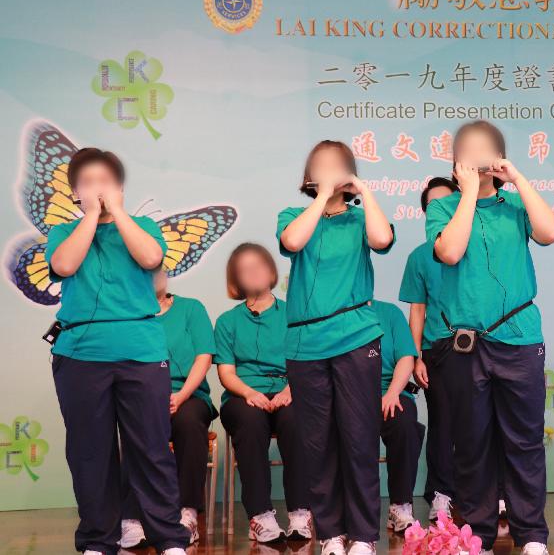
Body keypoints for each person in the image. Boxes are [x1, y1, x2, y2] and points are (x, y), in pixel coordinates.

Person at [45, 147, 189, 555]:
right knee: (91, 452)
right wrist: (91, 215)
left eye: (106, 181)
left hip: (140, 353)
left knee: (151, 449)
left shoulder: (141, 226)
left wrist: (118, 213)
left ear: (121, 187)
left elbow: (151, 257)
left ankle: (169, 539)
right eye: (88, 183)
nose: (98, 189)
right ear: (74, 192)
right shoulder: (62, 232)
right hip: (80, 354)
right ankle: (97, 540)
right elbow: (65, 266)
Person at [426, 121, 554, 555]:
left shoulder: (516, 205)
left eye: (486, 150)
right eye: (468, 150)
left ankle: (532, 534)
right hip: (468, 345)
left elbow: (550, 232)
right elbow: (449, 251)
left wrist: (517, 179)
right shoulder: (444, 209)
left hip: (519, 338)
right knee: (472, 442)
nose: (478, 156)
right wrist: (467, 192)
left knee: (524, 440)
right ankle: (478, 534)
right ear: (455, 160)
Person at [277, 140, 394, 555]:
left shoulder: (361, 218)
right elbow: (293, 242)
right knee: (318, 442)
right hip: (306, 344)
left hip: (356, 338)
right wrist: (323, 197)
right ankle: (330, 534)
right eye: (320, 168)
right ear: (309, 176)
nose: (329, 172)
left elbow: (382, 240)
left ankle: (363, 536)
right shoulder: (294, 215)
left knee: (360, 439)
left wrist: (364, 191)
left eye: (337, 167)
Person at [215, 243, 311, 543]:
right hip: (244, 397)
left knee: (297, 419)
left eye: (258, 265)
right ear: (236, 280)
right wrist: (249, 393)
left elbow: (307, 360)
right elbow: (226, 373)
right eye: (244, 269)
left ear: (271, 271)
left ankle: (300, 513)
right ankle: (261, 516)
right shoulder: (227, 321)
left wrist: (290, 389)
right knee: (250, 420)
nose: (253, 272)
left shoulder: (294, 314)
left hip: (288, 391)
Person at [119, 270, 217, 548]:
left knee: (188, 422)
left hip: (189, 394)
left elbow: (204, 355)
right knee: (136, 427)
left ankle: (187, 513)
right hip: (144, 397)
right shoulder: (129, 316)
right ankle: (132, 518)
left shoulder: (191, 308)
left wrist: (182, 394)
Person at [398, 176, 459, 520]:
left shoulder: (475, 246)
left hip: (483, 348)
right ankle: (441, 495)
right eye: (432, 207)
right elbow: (417, 311)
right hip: (438, 349)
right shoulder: (419, 258)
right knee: (443, 424)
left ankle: (493, 492)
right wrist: (417, 356)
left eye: (446, 203)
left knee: (484, 423)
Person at [372, 299, 425, 534]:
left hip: (391, 390)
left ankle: (400, 506)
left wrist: (392, 393)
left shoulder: (389, 313)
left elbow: (406, 357)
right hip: (351, 395)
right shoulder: (334, 314)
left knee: (404, 423)